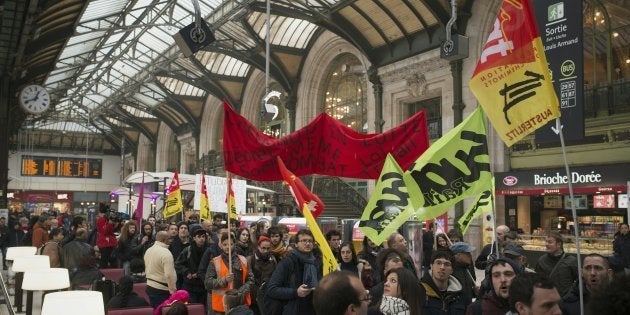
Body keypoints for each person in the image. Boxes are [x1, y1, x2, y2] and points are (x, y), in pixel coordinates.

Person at [267, 229, 323, 315]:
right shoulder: (287, 262)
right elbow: (272, 289)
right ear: (296, 244)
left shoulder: (317, 262)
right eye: (304, 240)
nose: (307, 243)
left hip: (313, 309)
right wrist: (296, 292)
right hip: (292, 309)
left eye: (310, 241)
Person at [205, 233, 255, 314]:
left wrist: (240, 292)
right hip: (221, 307)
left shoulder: (243, 260)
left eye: (230, 244)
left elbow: (251, 280)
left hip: (240, 304)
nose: (228, 247)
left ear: (234, 244)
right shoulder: (214, 262)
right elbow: (207, 283)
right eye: (225, 244)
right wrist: (224, 280)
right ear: (221, 245)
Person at [420, 250, 469, 315]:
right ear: (431, 266)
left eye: (447, 264)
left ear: (452, 270)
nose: (442, 267)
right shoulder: (419, 291)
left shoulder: (461, 295)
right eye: (438, 263)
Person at [534, 232, 578, 297]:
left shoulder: (571, 261)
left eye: (550, 242)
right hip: (547, 298)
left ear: (559, 244)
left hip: (565, 300)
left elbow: (578, 281)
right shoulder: (542, 260)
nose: (546, 244)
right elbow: (537, 280)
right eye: (546, 241)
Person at [174, 225, 209, 304]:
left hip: (203, 286)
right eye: (199, 236)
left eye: (203, 236)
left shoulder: (209, 251)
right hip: (189, 286)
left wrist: (200, 274)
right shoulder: (188, 250)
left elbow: (211, 267)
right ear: (194, 238)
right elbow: (177, 264)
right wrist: (187, 272)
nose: (201, 239)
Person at [144, 231, 177, 308]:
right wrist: (173, 291)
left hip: (150, 286)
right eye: (169, 239)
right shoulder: (166, 253)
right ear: (164, 240)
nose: (171, 241)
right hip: (161, 290)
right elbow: (169, 275)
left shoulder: (148, 250)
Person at [249, 235, 277, 313]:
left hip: (268, 295)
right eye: (263, 248)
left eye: (268, 248)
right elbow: (248, 280)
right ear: (258, 247)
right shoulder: (251, 259)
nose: (266, 251)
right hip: (254, 297)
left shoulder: (273, 259)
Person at [96, 203, 120, 268]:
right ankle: (103, 276)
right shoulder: (101, 220)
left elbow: (113, 231)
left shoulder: (107, 219)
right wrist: (110, 223)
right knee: (104, 262)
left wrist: (116, 224)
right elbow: (104, 232)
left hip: (110, 244)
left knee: (113, 262)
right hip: (105, 244)